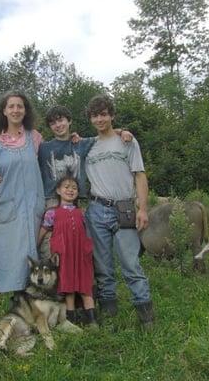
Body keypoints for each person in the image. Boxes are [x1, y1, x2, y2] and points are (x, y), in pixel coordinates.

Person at [84, 93, 155, 329]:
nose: (99, 119)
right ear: (90, 119)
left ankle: (146, 317)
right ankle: (110, 318)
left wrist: (142, 208)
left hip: (124, 208)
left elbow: (140, 175)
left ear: (112, 115)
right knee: (103, 267)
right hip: (96, 209)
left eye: (104, 114)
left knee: (131, 263)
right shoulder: (87, 146)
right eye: (95, 115)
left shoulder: (127, 141)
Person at [38, 105, 132, 260]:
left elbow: (105, 135)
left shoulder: (82, 143)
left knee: (79, 242)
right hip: (52, 201)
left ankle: (81, 279)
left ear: (69, 121)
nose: (58, 125)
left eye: (61, 120)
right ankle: (53, 279)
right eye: (53, 123)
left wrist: (122, 131)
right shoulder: (43, 148)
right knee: (51, 242)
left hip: (78, 200)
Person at [0, 91, 45, 294]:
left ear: (25, 110)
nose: (15, 110)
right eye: (11, 106)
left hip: (32, 207)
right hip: (6, 208)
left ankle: (29, 297)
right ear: (4, 111)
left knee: (30, 251)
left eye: (20, 106)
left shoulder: (35, 138)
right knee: (5, 253)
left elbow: (52, 159)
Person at [37, 175, 98, 327]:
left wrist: (90, 249)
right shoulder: (52, 213)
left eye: (74, 188)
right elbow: (44, 230)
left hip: (81, 255)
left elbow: (90, 233)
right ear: (58, 190)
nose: (70, 190)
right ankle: (71, 320)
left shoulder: (82, 213)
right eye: (66, 187)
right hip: (64, 256)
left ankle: (92, 320)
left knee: (86, 285)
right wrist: (35, 244)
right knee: (68, 285)